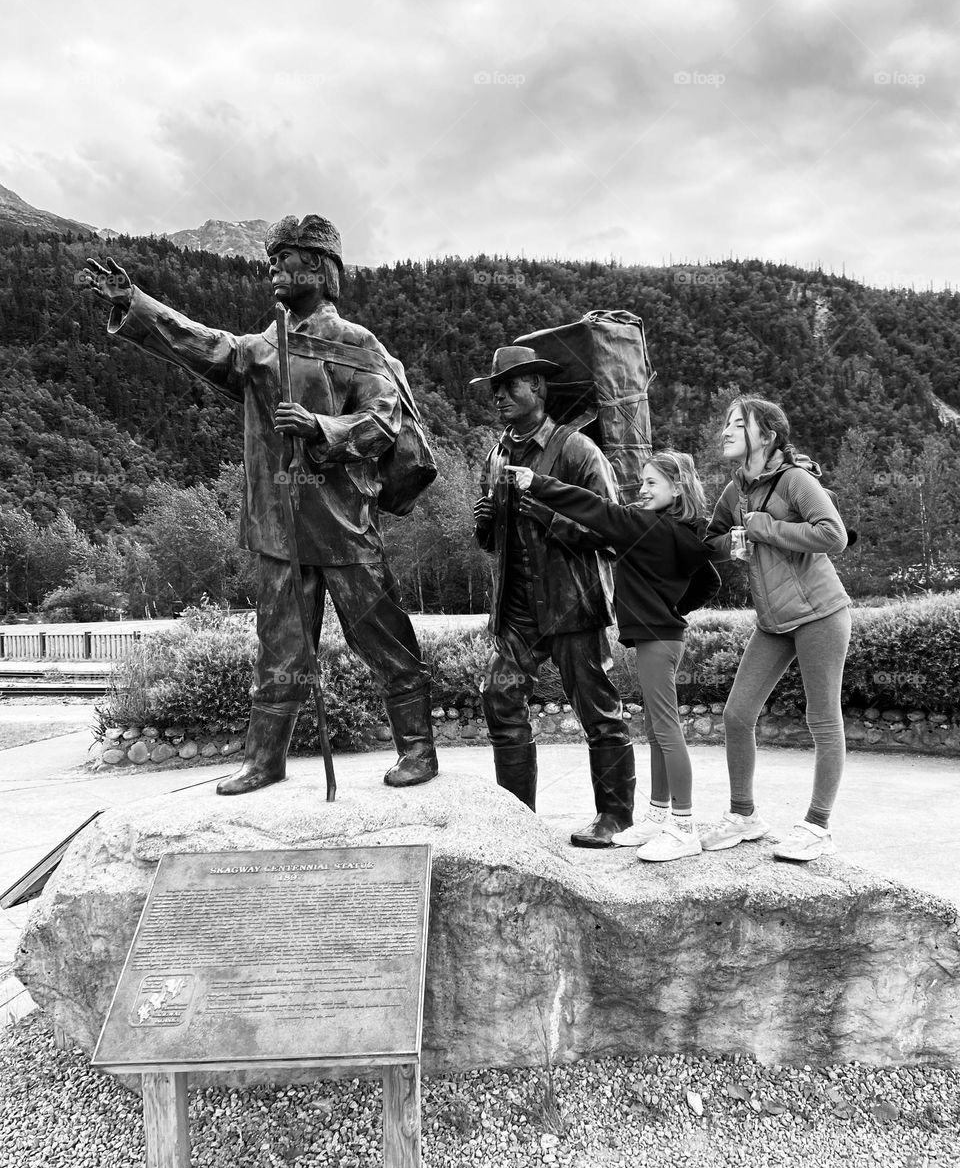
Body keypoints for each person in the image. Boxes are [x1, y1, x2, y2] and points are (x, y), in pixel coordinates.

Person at [79, 216, 438, 796]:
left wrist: (320, 426)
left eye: (288, 259)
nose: (274, 267)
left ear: (320, 270)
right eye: (273, 258)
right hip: (280, 530)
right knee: (281, 648)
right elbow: (198, 342)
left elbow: (382, 423)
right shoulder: (261, 350)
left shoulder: (356, 344)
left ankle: (418, 750)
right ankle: (265, 759)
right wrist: (138, 304)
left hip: (344, 526)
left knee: (383, 637)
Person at [506, 452, 721, 862]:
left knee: (667, 730)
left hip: (658, 640)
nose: (642, 490)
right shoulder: (682, 531)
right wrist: (672, 607)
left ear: (678, 488)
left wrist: (536, 482)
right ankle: (658, 815)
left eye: (652, 483)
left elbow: (594, 508)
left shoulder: (645, 526)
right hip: (663, 635)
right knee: (659, 730)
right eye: (642, 482)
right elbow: (708, 580)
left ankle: (683, 825)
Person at [471, 346, 634, 848]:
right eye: (494, 389)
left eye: (509, 386)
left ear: (538, 388)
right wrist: (485, 524)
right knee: (499, 698)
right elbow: (493, 540)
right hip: (517, 610)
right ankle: (518, 818)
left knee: (597, 712)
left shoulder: (578, 451)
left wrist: (543, 512)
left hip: (572, 604)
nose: (498, 396)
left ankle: (615, 818)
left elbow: (614, 530)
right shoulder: (497, 454)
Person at [703, 395, 850, 862]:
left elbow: (834, 535)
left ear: (765, 435)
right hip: (772, 621)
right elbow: (709, 542)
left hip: (821, 614)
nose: (725, 431)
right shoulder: (735, 491)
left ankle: (817, 827)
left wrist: (768, 530)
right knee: (736, 714)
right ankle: (744, 816)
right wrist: (733, 542)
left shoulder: (796, 480)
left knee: (822, 720)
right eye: (725, 423)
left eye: (736, 423)